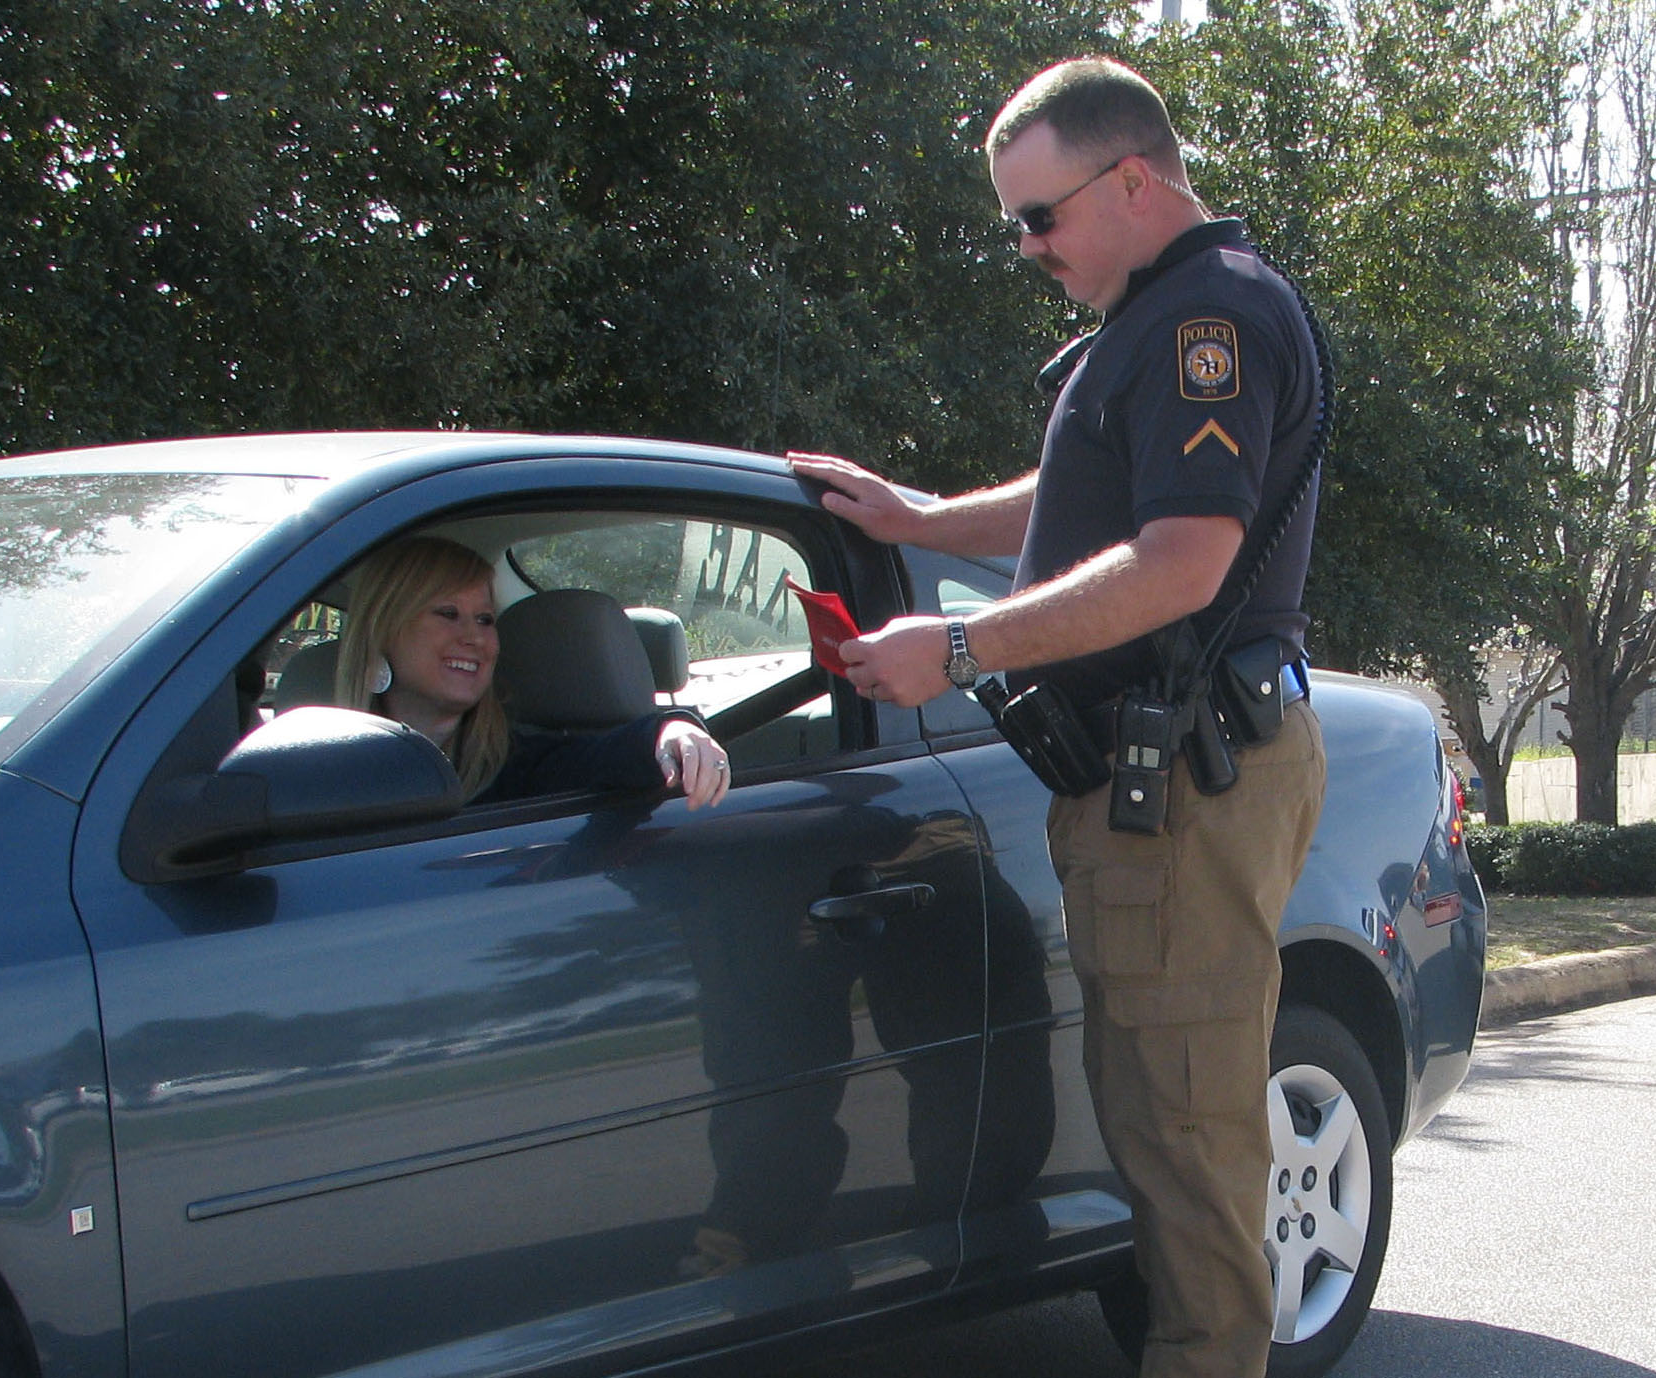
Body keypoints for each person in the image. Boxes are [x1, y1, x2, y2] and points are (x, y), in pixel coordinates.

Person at [789, 55, 1325, 1378]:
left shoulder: (1215, 317)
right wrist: (922, 522)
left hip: (1189, 780)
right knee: (1157, 1124)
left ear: (1133, 179)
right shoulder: (1161, 315)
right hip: (1157, 780)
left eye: (1041, 216)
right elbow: (1076, 503)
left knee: (1189, 1138)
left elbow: (1181, 558)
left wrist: (960, 642)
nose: (1028, 247)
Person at [328, 535, 731, 807]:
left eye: (485, 619)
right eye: (448, 614)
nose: (475, 638)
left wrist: (671, 731)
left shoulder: (514, 766)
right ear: (382, 631)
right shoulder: (323, 774)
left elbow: (597, 760)